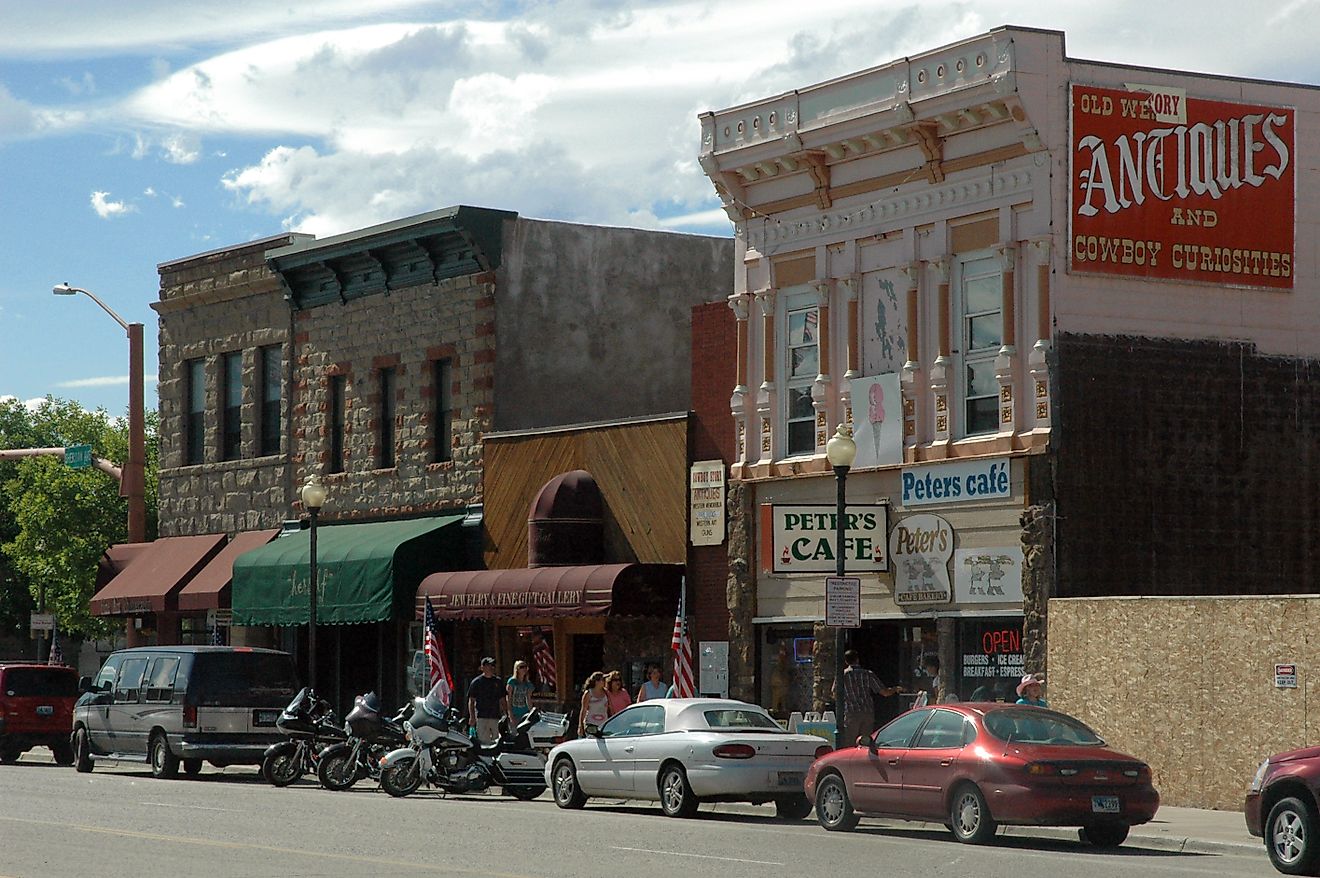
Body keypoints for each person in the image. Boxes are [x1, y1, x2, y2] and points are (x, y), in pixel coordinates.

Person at [832, 649, 902, 748]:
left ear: (846, 661)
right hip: (867, 711)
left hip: (851, 712)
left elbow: (834, 693)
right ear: (857, 659)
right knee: (865, 743)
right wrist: (895, 689)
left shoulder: (842, 675)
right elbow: (884, 692)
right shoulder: (868, 674)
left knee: (850, 743)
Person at [466, 657, 508, 745]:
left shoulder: (498, 682)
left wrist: (506, 714)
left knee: (496, 741)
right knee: (483, 742)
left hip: (496, 717)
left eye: (493, 666)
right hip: (482, 717)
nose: (491, 668)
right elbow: (471, 701)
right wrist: (472, 717)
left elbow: (503, 699)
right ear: (482, 667)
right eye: (488, 665)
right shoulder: (476, 682)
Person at [578, 671, 609, 736]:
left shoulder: (606, 692)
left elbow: (610, 708)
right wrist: (580, 726)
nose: (604, 682)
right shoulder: (588, 693)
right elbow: (583, 710)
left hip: (603, 724)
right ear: (596, 682)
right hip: (591, 723)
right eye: (602, 680)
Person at [506, 660, 535, 726]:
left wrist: (531, 713)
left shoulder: (528, 684)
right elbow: (509, 699)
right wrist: (510, 715)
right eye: (521, 667)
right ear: (517, 669)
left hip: (525, 714)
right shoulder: (512, 682)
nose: (524, 669)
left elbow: (528, 699)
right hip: (515, 714)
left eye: (525, 667)